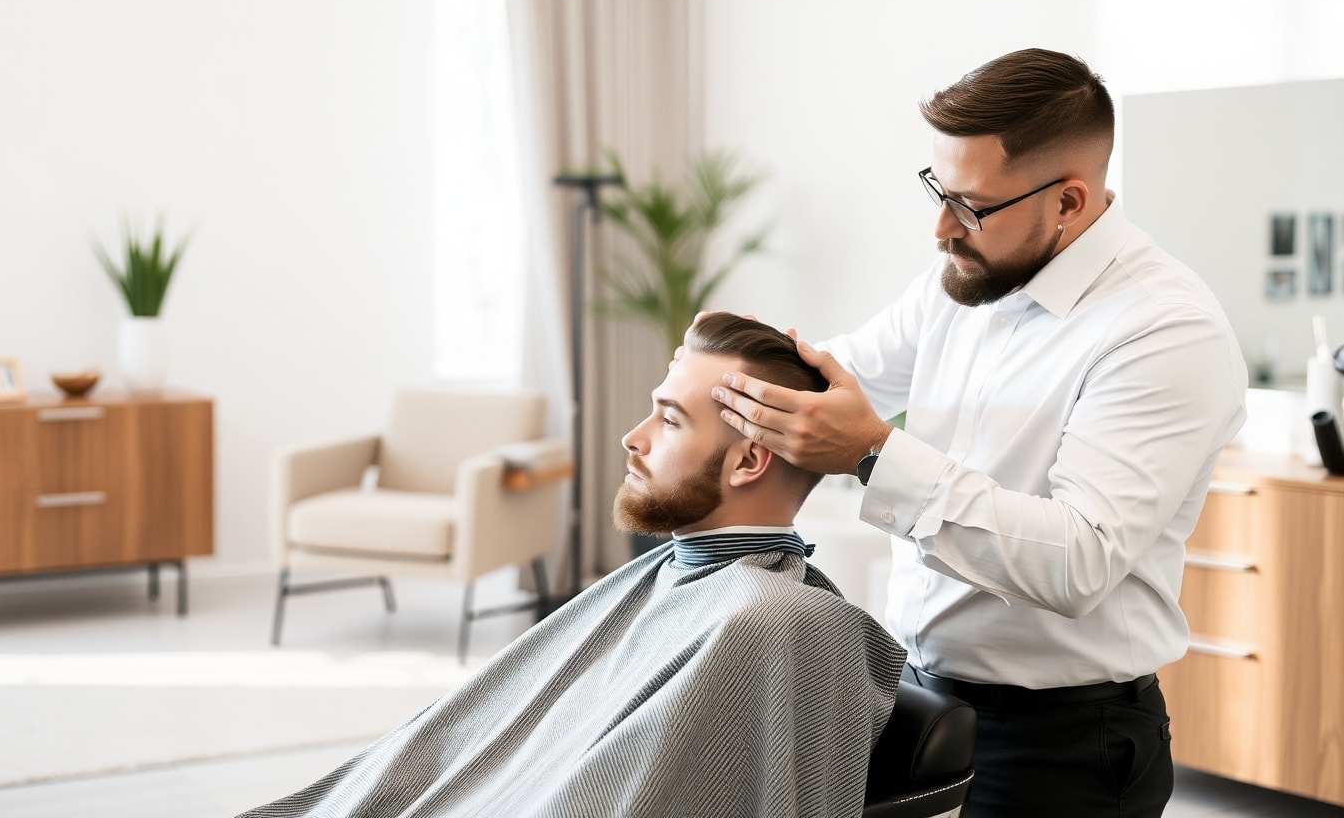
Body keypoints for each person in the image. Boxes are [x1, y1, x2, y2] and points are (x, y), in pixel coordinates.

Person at [709, 48, 1247, 817]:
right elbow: (837, 377)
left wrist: (871, 454)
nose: (940, 229)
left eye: (968, 205)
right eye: (937, 189)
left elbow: (1079, 559)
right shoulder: (963, 279)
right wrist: (726, 374)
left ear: (1068, 202)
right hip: (916, 698)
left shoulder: (1164, 330)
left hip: (1063, 747)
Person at [238, 313, 906, 818]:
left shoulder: (774, 622)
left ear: (749, 460)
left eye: (670, 420)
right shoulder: (684, 577)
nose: (632, 437)